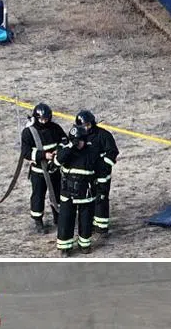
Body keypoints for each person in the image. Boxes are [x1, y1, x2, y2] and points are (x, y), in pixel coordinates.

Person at [55, 125, 108, 254]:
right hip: (68, 194)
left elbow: (102, 173)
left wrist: (102, 192)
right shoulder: (65, 150)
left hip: (86, 194)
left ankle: (84, 245)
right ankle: (65, 247)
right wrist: (70, 147)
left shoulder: (92, 152)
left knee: (85, 221)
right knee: (65, 221)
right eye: (75, 141)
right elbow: (58, 161)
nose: (78, 144)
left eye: (79, 141)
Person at [20, 102, 65, 232]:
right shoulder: (28, 133)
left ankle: (58, 217)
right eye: (41, 119)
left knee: (57, 194)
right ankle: (38, 221)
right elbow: (26, 152)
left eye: (46, 119)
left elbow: (64, 141)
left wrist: (58, 152)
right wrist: (43, 155)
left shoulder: (55, 128)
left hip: (54, 170)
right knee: (38, 196)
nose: (44, 122)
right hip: (39, 172)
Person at [76, 109, 119, 234]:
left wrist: (103, 167)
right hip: (87, 175)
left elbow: (112, 153)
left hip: (101, 175)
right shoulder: (78, 136)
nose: (87, 128)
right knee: (88, 199)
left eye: (88, 125)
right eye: (84, 126)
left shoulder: (103, 135)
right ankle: (90, 223)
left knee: (101, 198)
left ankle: (102, 226)